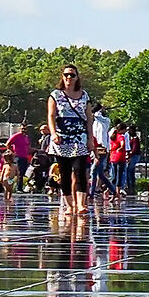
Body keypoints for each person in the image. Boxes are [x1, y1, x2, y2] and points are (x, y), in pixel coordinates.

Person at [45, 64, 95, 227]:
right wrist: (53, 133)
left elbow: (89, 118)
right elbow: (51, 116)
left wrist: (90, 139)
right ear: (62, 76)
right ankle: (69, 204)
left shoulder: (84, 95)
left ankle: (81, 204)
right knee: (65, 173)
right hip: (62, 138)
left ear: (77, 77)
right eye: (66, 75)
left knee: (80, 171)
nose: (69, 78)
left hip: (79, 137)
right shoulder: (55, 95)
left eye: (72, 75)